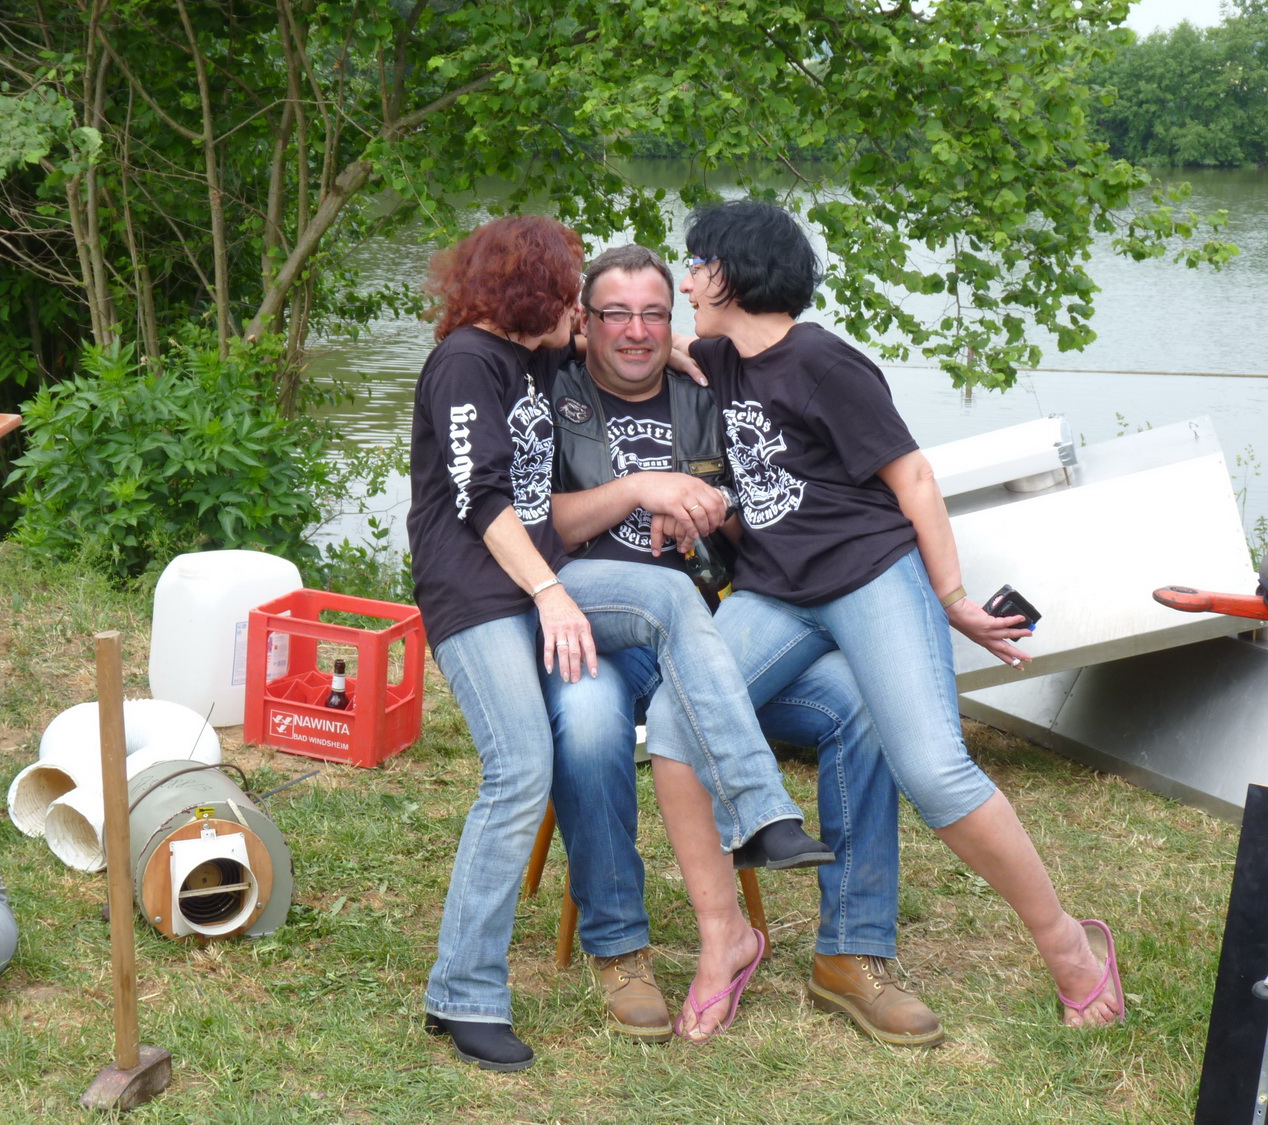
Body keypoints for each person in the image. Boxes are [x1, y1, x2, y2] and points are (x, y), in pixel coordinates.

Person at [677, 199, 1125, 1028]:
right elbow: (635, 342)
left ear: (732, 273)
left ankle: (1068, 943)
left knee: (934, 769)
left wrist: (952, 600)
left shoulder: (823, 363)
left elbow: (913, 477)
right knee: (680, 714)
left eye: (696, 265)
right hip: (776, 593)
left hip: (869, 576)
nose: (685, 283)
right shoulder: (718, 357)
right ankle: (726, 937)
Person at [408, 215, 833, 1072]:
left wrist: (673, 346)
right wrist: (550, 592)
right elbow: (482, 499)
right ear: (530, 294)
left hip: (543, 580)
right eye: (569, 294)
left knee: (670, 593)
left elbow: (615, 344)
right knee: (518, 770)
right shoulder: (464, 364)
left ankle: (758, 812)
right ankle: (463, 992)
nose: (578, 310)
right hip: (482, 594)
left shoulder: (531, 358)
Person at [544, 244, 944, 1046]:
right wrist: (639, 488)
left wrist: (709, 506)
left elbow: (761, 516)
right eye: (615, 314)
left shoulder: (711, 388)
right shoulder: (553, 394)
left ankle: (852, 949)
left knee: (858, 702)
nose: (636, 331)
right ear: (585, 321)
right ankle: (620, 947)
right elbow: (537, 526)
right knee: (587, 725)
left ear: (675, 320)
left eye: (653, 313)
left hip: (711, 633)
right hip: (594, 634)